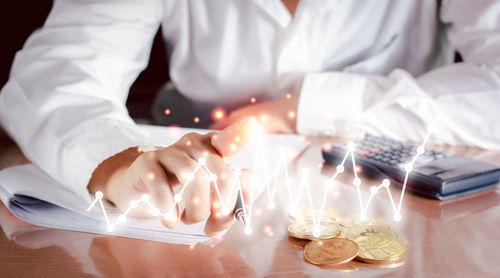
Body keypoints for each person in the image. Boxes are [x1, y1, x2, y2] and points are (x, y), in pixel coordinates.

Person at [0, 0, 499, 234]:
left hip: (410, 213)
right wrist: (120, 163)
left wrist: (299, 109)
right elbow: (54, 74)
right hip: (197, 217)